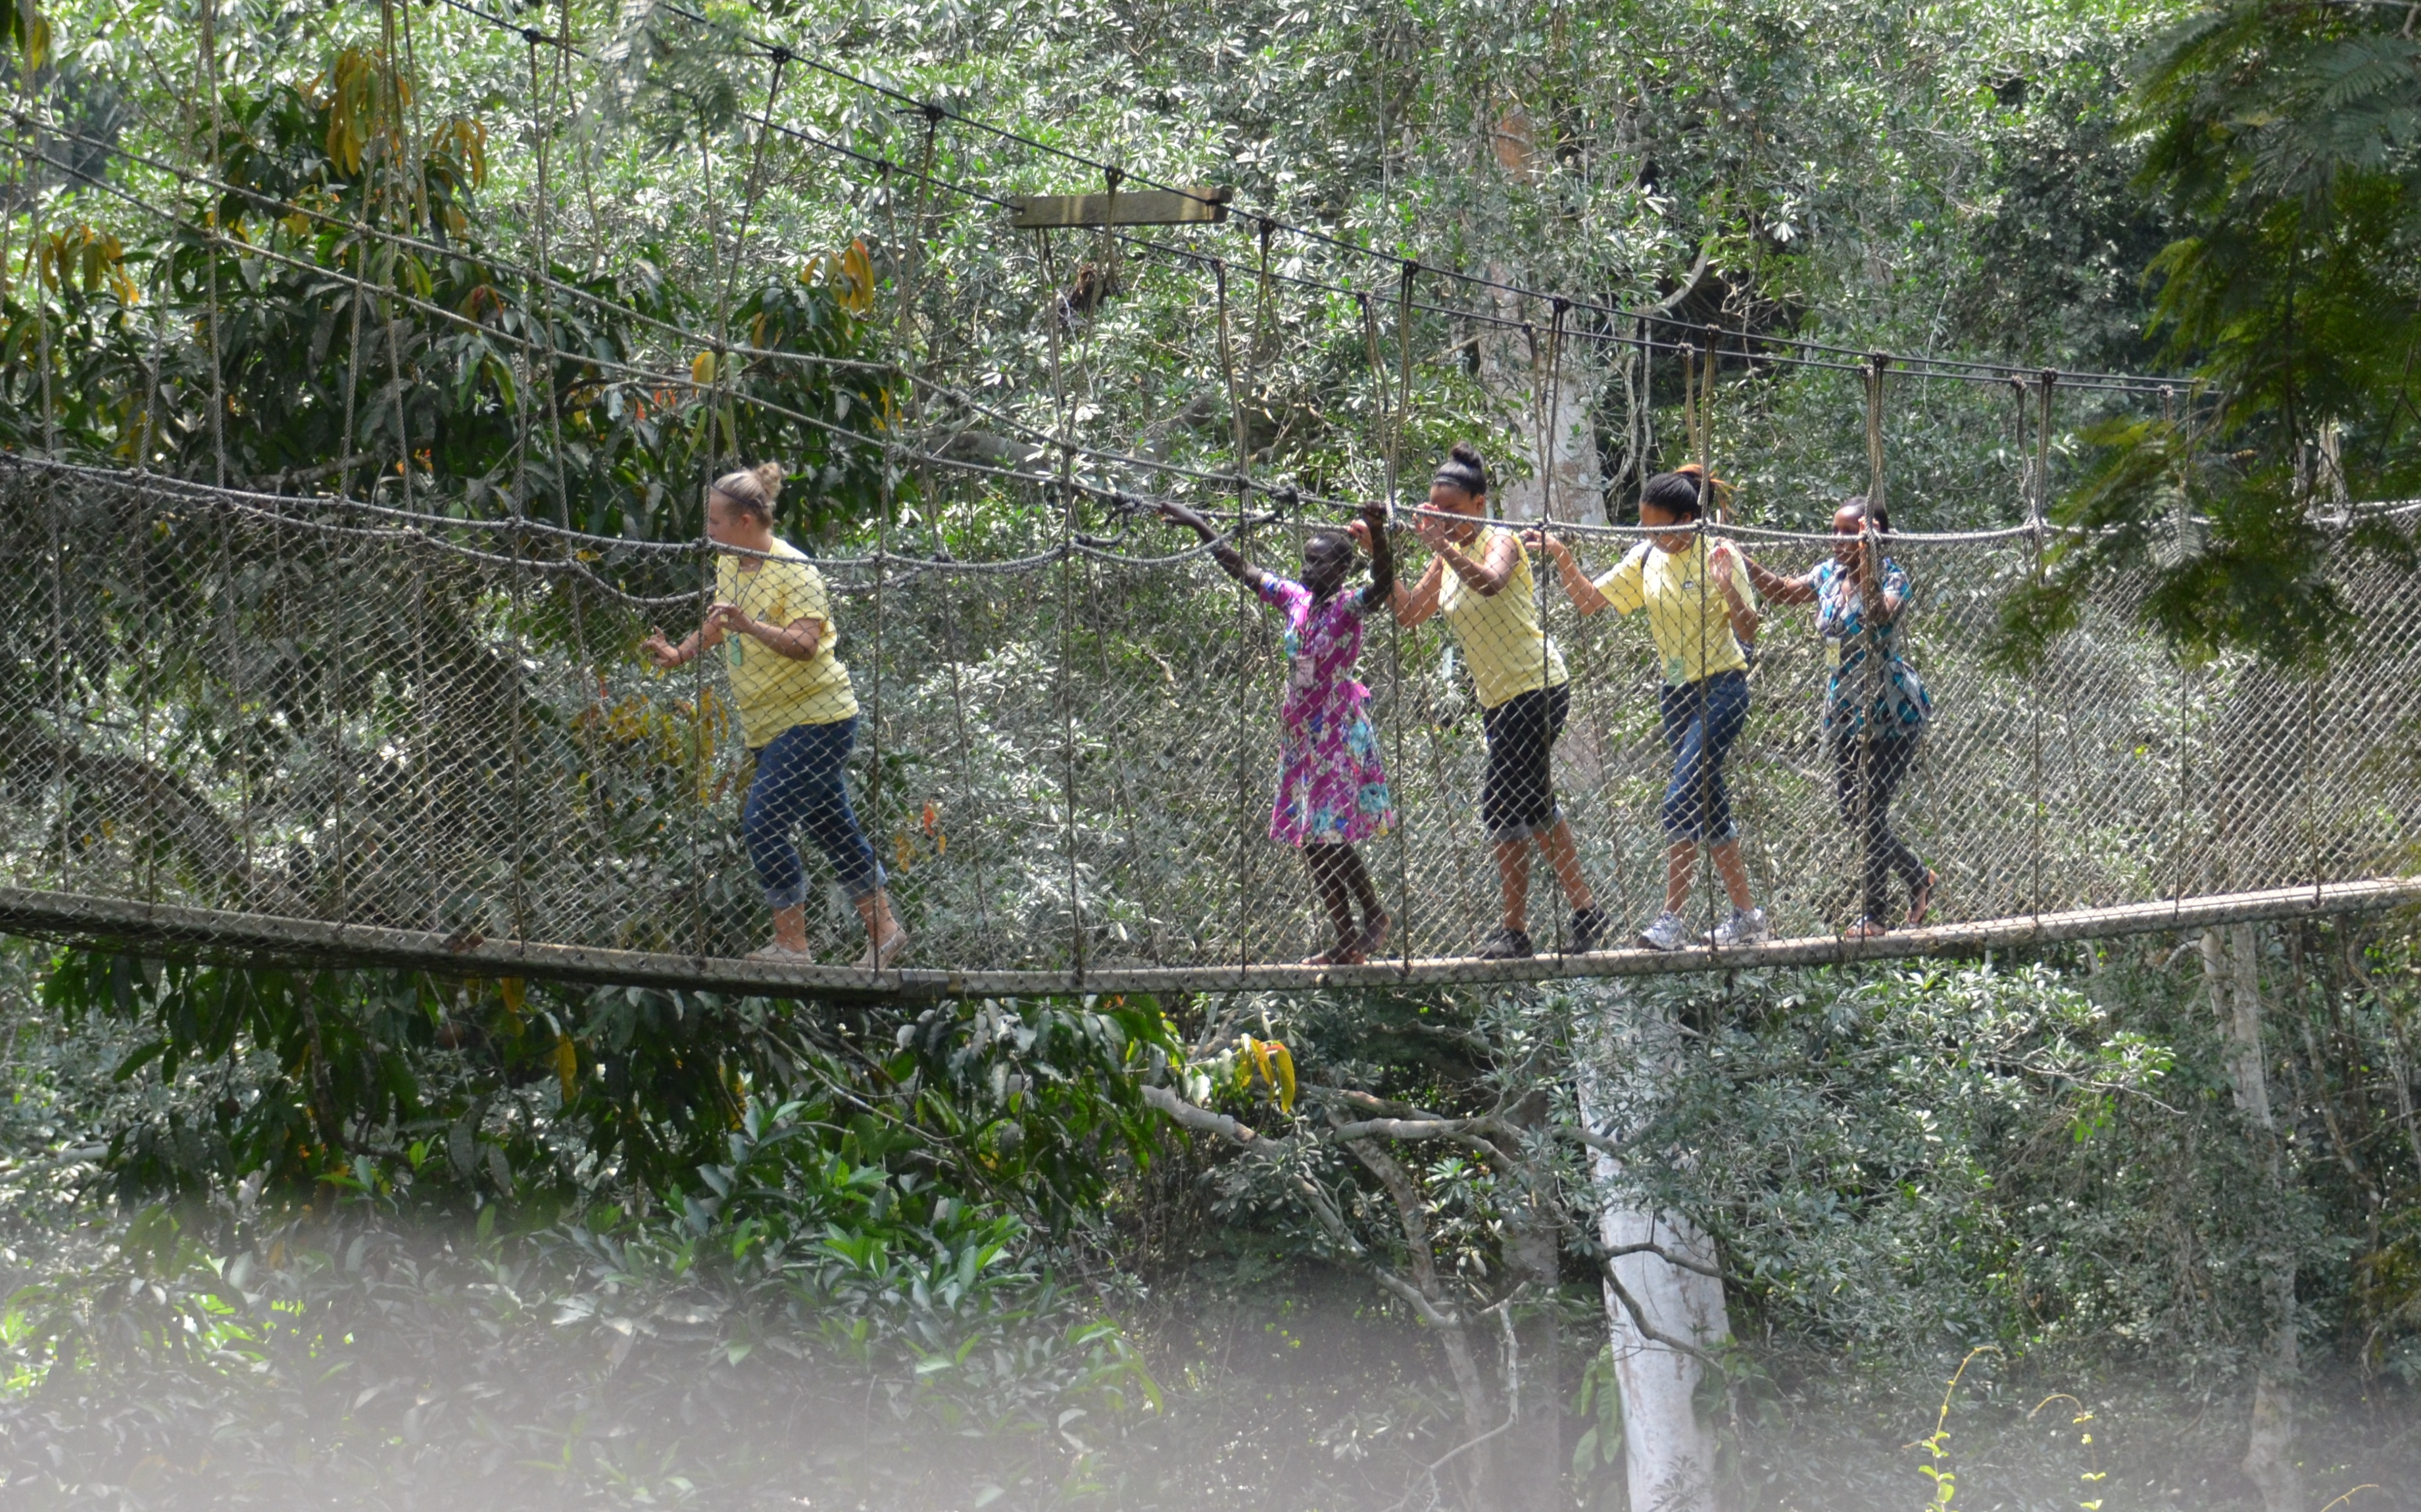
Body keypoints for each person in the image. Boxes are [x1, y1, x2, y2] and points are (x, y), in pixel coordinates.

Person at [642, 464, 906, 969]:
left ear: (744, 521)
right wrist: (680, 652)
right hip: (767, 724)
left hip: (817, 719)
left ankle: (792, 945)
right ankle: (885, 931)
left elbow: (804, 644)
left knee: (763, 822)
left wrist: (751, 626)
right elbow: (721, 623)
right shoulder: (729, 562)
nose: (707, 531)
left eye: (714, 522)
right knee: (833, 827)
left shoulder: (795, 569)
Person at [1381, 441, 1609, 959]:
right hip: (1497, 699)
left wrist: (1443, 547)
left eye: (1453, 510)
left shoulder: (1498, 539)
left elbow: (1490, 583)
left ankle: (1514, 929)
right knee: (1534, 804)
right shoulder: (1446, 556)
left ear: (1479, 504)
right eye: (1435, 510)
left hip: (1536, 686)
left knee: (1500, 803)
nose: (1443, 519)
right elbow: (1409, 612)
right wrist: (1380, 552)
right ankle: (1585, 909)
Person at [1532, 466, 1771, 951]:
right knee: (1710, 806)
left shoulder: (1719, 553)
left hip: (1721, 688)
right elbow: (1589, 601)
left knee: (1680, 798)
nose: (1648, 534)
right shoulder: (1646, 557)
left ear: (1685, 520)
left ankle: (1671, 920)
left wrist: (1726, 586)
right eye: (1643, 525)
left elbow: (1749, 630)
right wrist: (1560, 555)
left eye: (1656, 526)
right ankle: (1748, 917)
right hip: (1675, 695)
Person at [1162, 499, 1396, 963]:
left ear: (1342, 569)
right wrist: (1198, 524)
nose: (1307, 568)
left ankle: (1375, 915)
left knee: (1330, 833)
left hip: (1337, 732)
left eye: (1319, 562)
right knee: (1310, 841)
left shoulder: (1349, 606)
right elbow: (1243, 569)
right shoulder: (1295, 599)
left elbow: (1384, 583)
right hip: (1302, 735)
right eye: (1305, 560)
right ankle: (1345, 940)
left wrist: (1378, 534)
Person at [1738, 495, 1936, 936]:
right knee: (1852, 810)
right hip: (1846, 708)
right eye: (1835, 531)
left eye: (1849, 533)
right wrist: (1742, 560)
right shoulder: (1828, 573)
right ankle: (1917, 877)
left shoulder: (1893, 577)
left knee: (1870, 809)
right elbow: (1783, 591)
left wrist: (1867, 563)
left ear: (1874, 536)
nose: (1838, 539)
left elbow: (1880, 613)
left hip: (1890, 710)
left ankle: (1875, 915)